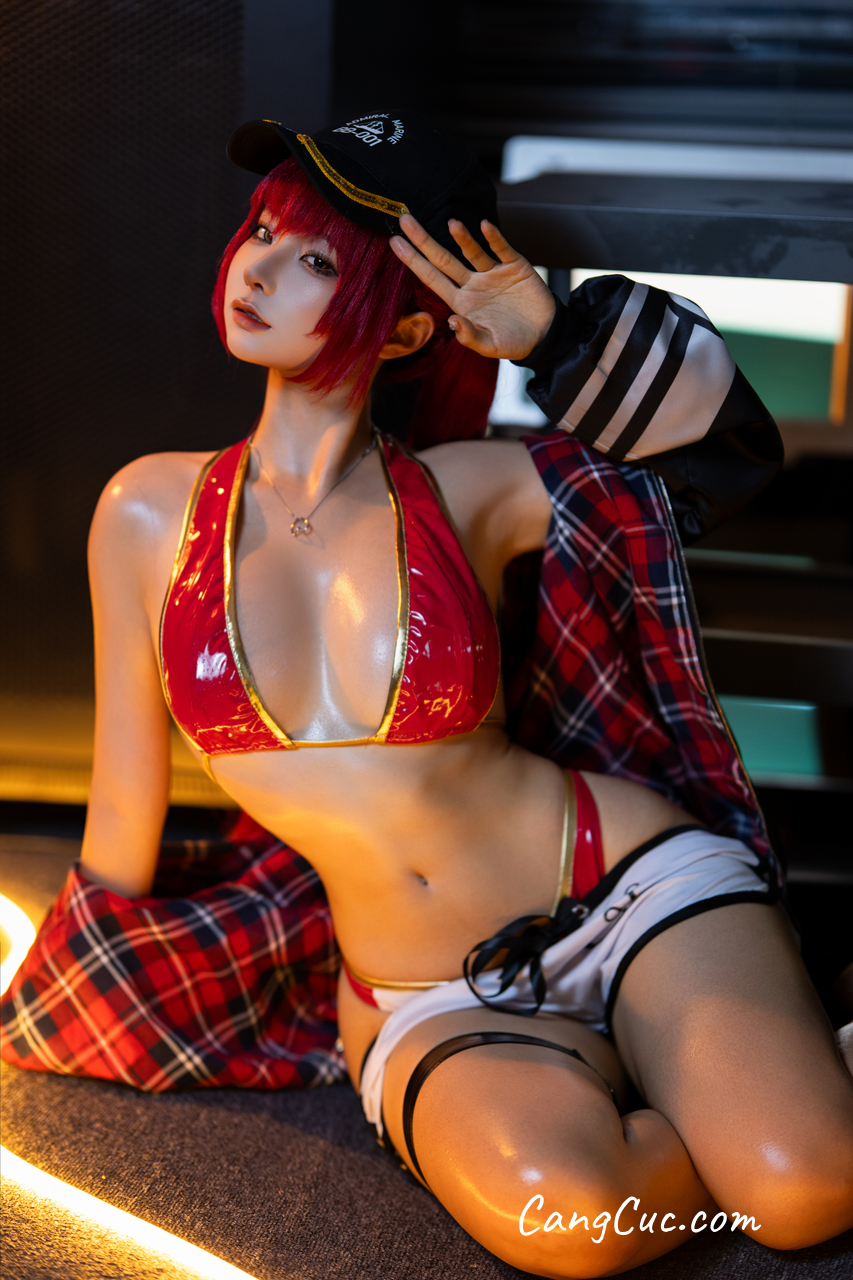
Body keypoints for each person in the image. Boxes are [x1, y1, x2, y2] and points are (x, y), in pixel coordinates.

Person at [3, 111, 852, 1275]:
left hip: (628, 884)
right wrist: (69, 991)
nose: (257, 267)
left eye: (316, 259)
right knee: (577, 1227)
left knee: (804, 1191)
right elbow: (123, 798)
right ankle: (766, 1069)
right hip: (428, 989)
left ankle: (753, 1099)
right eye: (262, 231)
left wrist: (553, 339)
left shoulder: (469, 491)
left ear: (407, 324)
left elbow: (720, 465)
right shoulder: (147, 511)